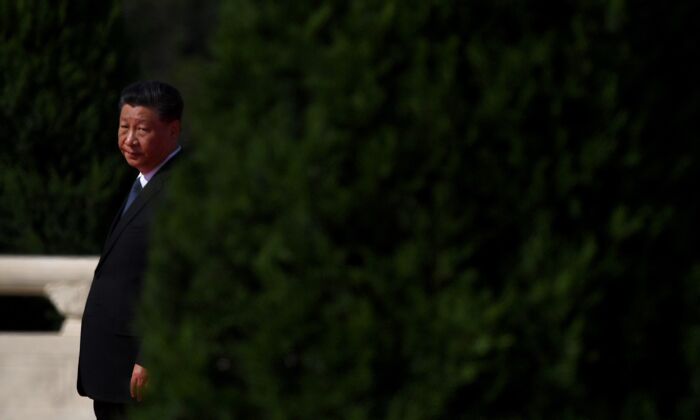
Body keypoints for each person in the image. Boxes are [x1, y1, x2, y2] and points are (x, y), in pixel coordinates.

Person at [77, 80, 183, 420]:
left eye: (142, 129)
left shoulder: (180, 189)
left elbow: (177, 277)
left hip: (139, 374)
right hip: (113, 368)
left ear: (172, 130)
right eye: (124, 127)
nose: (130, 140)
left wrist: (152, 355)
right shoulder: (142, 182)